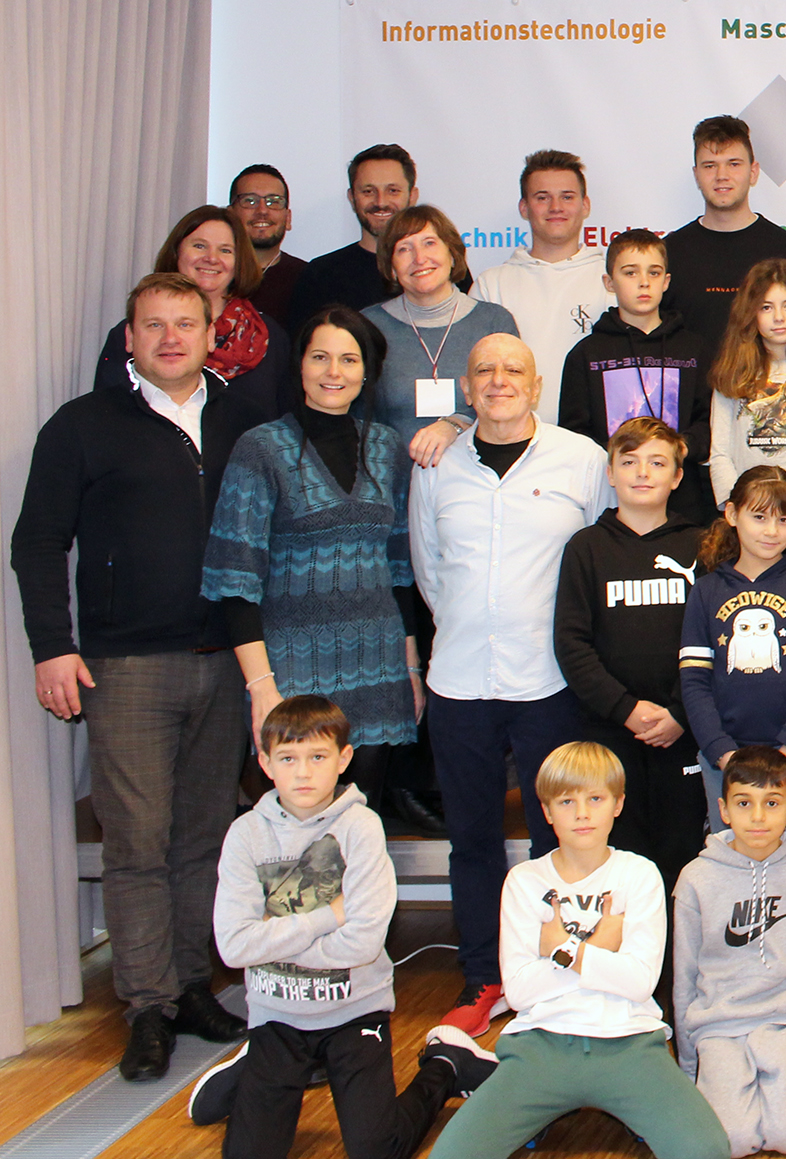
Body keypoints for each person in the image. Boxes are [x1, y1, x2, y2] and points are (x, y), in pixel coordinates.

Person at [14, 272, 261, 1080]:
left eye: (185, 323)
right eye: (152, 325)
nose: (169, 338)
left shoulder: (243, 421)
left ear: (211, 333)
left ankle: (191, 985)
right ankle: (148, 1005)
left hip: (225, 661)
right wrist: (53, 645)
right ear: (129, 338)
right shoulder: (83, 425)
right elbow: (37, 541)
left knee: (203, 838)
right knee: (137, 841)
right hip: (124, 667)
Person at [408, 333, 612, 1036]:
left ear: (536, 384)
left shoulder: (581, 460)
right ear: (466, 389)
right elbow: (429, 567)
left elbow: (599, 559)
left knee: (561, 835)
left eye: (513, 369)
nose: (499, 380)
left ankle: (556, 971)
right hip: (459, 681)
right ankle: (482, 977)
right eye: (484, 371)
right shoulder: (436, 464)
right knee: (472, 840)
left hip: (550, 681)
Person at [190, 695, 497, 1155]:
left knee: (378, 1149)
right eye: (288, 759)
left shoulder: (361, 827)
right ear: (266, 764)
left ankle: (447, 1065)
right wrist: (328, 917)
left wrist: (271, 940)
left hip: (355, 1013)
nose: (303, 772)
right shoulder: (246, 834)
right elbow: (233, 948)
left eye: (318, 757)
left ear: (344, 759)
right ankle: (250, 1072)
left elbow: (362, 943)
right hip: (277, 1016)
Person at [423, 743, 733, 1159]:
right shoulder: (524, 880)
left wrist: (564, 950)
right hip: (540, 1047)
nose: (582, 813)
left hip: (629, 1045)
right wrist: (601, 945)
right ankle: (482, 1069)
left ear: (618, 804)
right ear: (547, 811)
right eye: (567, 801)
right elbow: (519, 992)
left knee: (707, 1150)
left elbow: (640, 982)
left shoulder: (639, 874)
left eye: (595, 799)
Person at [202, 307, 423, 818]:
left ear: (366, 371)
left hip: (379, 668)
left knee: (362, 827)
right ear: (300, 364)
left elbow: (400, 569)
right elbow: (235, 578)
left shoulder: (387, 448)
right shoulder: (261, 448)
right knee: (299, 839)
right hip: (292, 673)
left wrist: (411, 667)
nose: (333, 372)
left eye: (349, 359)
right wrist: (261, 688)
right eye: (320, 357)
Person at [553, 418, 711, 888]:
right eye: (629, 462)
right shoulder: (586, 548)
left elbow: (716, 641)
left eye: (657, 463)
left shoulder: (703, 546)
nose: (643, 473)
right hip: (610, 733)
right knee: (616, 860)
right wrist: (624, 709)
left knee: (680, 856)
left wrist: (680, 711)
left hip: (682, 730)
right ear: (610, 473)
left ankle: (674, 942)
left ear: (677, 477)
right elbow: (571, 643)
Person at [670, 745, 786, 1157]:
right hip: (718, 1027)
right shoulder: (696, 878)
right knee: (731, 1142)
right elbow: (684, 974)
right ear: (724, 810)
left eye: (771, 803)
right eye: (744, 803)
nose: (758, 817)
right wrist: (688, 1065)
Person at [680, 465, 786, 837]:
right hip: (723, 760)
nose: (772, 531)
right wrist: (722, 752)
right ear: (731, 514)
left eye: (784, 520)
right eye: (759, 517)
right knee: (728, 858)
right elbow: (693, 680)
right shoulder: (706, 590)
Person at [556, 228, 719, 525]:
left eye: (653, 273)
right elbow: (574, 434)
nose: (644, 282)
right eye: (630, 273)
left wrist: (680, 448)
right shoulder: (586, 355)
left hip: (683, 503)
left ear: (666, 282)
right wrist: (621, 460)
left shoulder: (695, 349)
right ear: (609, 282)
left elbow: (711, 420)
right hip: (610, 500)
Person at [93, 205, 294, 416]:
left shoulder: (268, 337)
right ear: (176, 253)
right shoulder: (135, 334)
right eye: (199, 246)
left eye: (225, 250)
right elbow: (105, 414)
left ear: (239, 262)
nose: (211, 258)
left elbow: (286, 421)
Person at [363, 204, 521, 468]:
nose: (419, 258)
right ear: (391, 268)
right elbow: (359, 416)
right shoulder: (368, 327)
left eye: (429, 243)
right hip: (393, 479)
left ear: (453, 254)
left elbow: (512, 404)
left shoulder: (493, 322)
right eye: (404, 249)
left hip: (479, 478)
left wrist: (456, 424)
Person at [706, 260, 786, 565]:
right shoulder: (732, 375)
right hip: (747, 521)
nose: (778, 317)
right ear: (749, 313)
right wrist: (741, 512)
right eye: (766, 307)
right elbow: (720, 454)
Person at [475, 150, 612, 422]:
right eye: (542, 197)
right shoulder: (491, 285)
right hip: (514, 438)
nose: (556, 207)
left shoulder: (613, 281)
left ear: (585, 205)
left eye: (567, 197)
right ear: (524, 208)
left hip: (596, 439)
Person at [666, 116, 786, 354]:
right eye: (710, 166)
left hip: (774, 380)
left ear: (753, 172)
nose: (722, 175)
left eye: (734, 164)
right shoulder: (669, 253)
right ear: (696, 175)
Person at [290, 144, 451, 333]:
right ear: (352, 197)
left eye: (393, 191)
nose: (380, 202)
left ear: (412, 196)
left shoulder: (438, 269)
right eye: (368, 191)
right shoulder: (320, 275)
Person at [231, 165, 306, 322]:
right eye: (250, 201)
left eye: (274, 201)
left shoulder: (309, 279)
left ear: (288, 218)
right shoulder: (211, 273)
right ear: (230, 214)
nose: (262, 211)